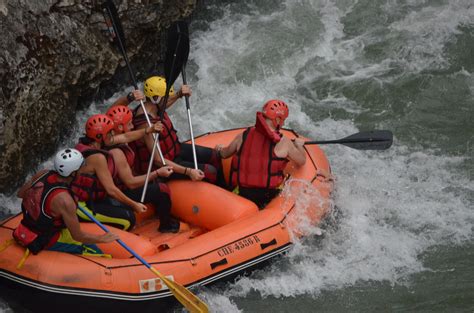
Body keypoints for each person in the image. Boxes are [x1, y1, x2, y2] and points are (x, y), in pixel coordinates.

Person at [114, 76, 224, 185]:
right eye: (166, 97)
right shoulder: (146, 124)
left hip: (175, 150)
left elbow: (164, 103)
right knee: (210, 171)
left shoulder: (154, 107)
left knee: (214, 155)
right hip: (163, 166)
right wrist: (188, 171)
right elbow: (158, 160)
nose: (168, 99)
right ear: (156, 98)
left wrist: (179, 94)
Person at [13, 148, 119, 256]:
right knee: (96, 251)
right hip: (48, 239)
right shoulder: (65, 201)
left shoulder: (43, 174)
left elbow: (21, 194)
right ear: (73, 173)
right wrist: (102, 238)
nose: (83, 169)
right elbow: (78, 236)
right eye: (81, 167)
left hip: (33, 225)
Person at [71, 114, 163, 231]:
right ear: (100, 136)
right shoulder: (97, 158)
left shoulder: (90, 143)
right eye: (110, 133)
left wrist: (148, 130)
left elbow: (125, 136)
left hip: (96, 198)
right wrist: (134, 204)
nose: (113, 135)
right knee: (129, 219)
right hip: (83, 205)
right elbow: (111, 190)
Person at [215, 100, 306, 209]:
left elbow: (224, 154)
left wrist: (219, 149)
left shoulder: (244, 135)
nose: (283, 124)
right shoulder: (284, 142)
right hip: (268, 198)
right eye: (283, 120)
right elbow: (301, 161)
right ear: (277, 119)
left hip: (242, 195)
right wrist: (299, 145)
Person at [105, 105, 180, 233]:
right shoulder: (116, 152)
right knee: (161, 189)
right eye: (129, 124)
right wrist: (156, 173)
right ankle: (166, 226)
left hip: (122, 186)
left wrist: (148, 130)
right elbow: (131, 183)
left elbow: (126, 137)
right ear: (120, 127)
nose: (133, 126)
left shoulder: (111, 139)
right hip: (120, 195)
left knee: (155, 183)